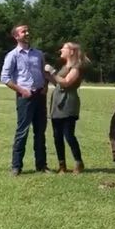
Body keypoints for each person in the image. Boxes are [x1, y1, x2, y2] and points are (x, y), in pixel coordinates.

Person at [0, 24, 51, 176]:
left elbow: (44, 73)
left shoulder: (38, 54)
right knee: (22, 132)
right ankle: (16, 167)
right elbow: (4, 78)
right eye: (24, 31)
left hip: (39, 96)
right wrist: (21, 90)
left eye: (28, 31)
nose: (27, 33)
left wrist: (45, 87)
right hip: (25, 98)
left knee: (40, 132)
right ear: (16, 36)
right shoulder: (13, 55)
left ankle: (41, 166)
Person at [45, 43, 89, 174]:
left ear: (71, 51)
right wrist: (48, 75)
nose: (60, 50)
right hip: (57, 103)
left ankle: (78, 162)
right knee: (57, 135)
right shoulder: (65, 66)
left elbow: (66, 82)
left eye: (63, 48)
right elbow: (58, 82)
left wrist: (52, 71)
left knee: (68, 134)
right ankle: (62, 166)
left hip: (68, 103)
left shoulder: (77, 67)